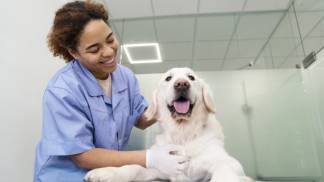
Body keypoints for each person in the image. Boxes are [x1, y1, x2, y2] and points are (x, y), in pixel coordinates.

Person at [34, 1, 187, 181]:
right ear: (74, 52)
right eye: (94, 49)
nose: (108, 52)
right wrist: (150, 158)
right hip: (65, 176)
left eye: (110, 39)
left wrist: (172, 102)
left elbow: (141, 119)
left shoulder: (125, 76)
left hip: (107, 173)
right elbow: (83, 156)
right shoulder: (62, 91)